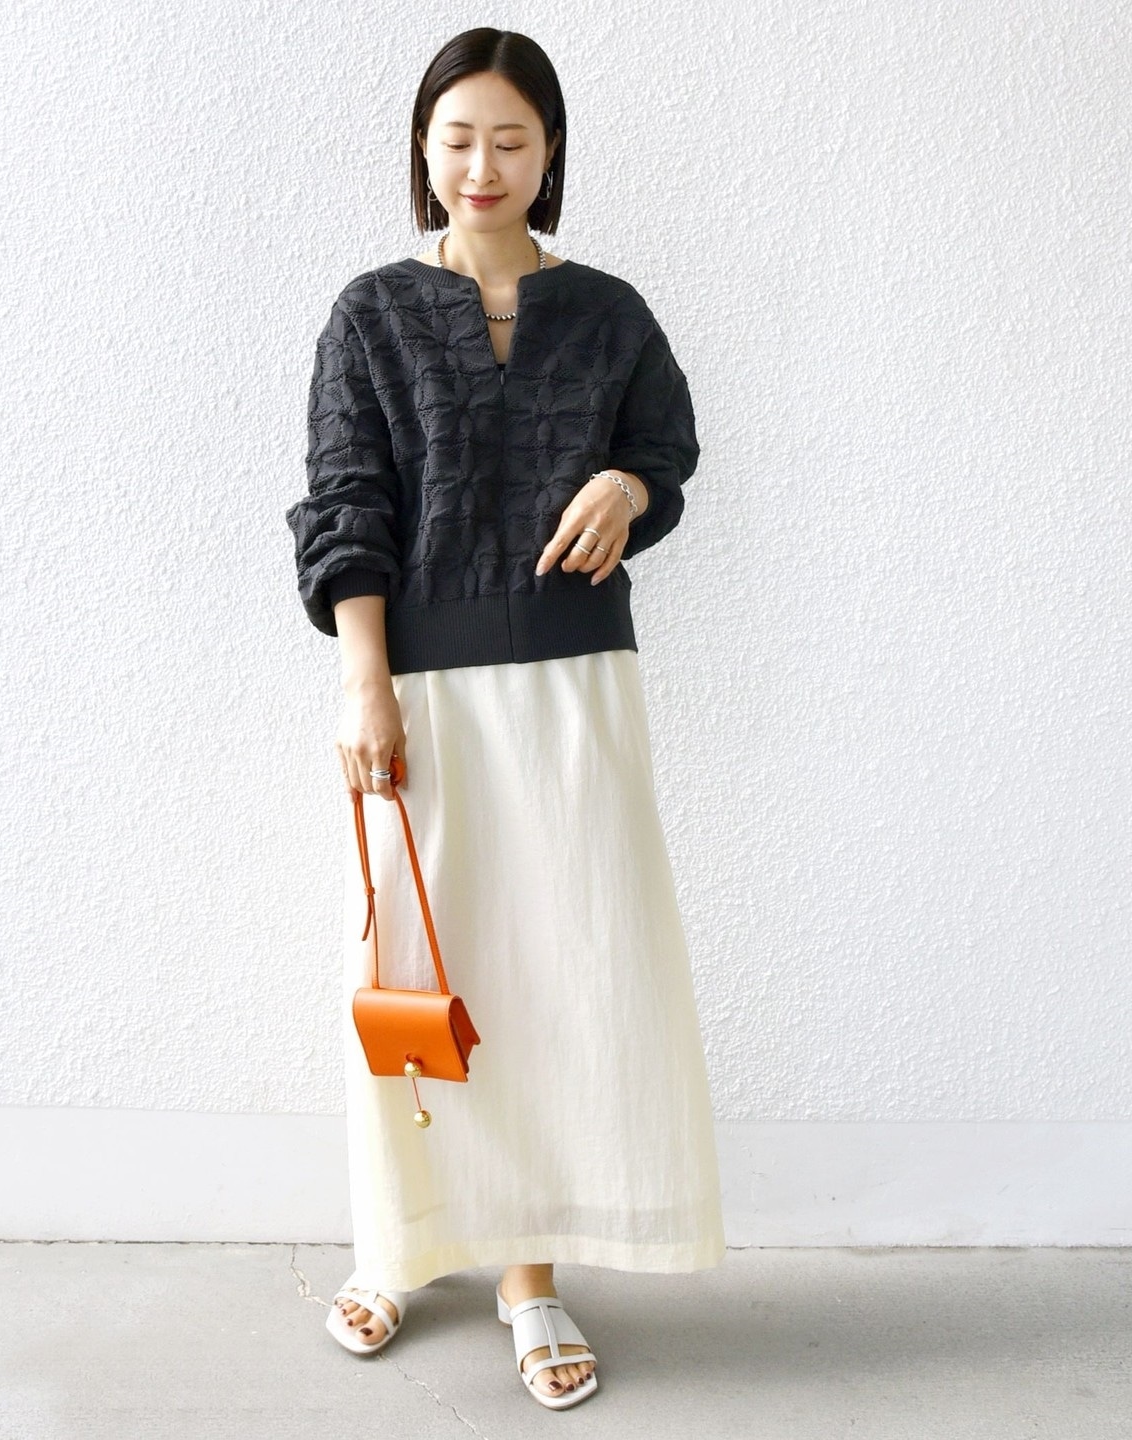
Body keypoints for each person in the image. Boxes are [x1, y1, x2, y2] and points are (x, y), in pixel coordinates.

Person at [285, 27, 726, 1411]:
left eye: (512, 140)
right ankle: (403, 1240)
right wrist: (364, 680)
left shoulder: (609, 312)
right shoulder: (369, 314)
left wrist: (631, 491)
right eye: (459, 137)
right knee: (410, 972)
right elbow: (344, 504)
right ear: (424, 149)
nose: (483, 164)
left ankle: (527, 1276)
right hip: (417, 690)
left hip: (575, 686)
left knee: (555, 977)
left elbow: (666, 449)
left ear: (550, 154)